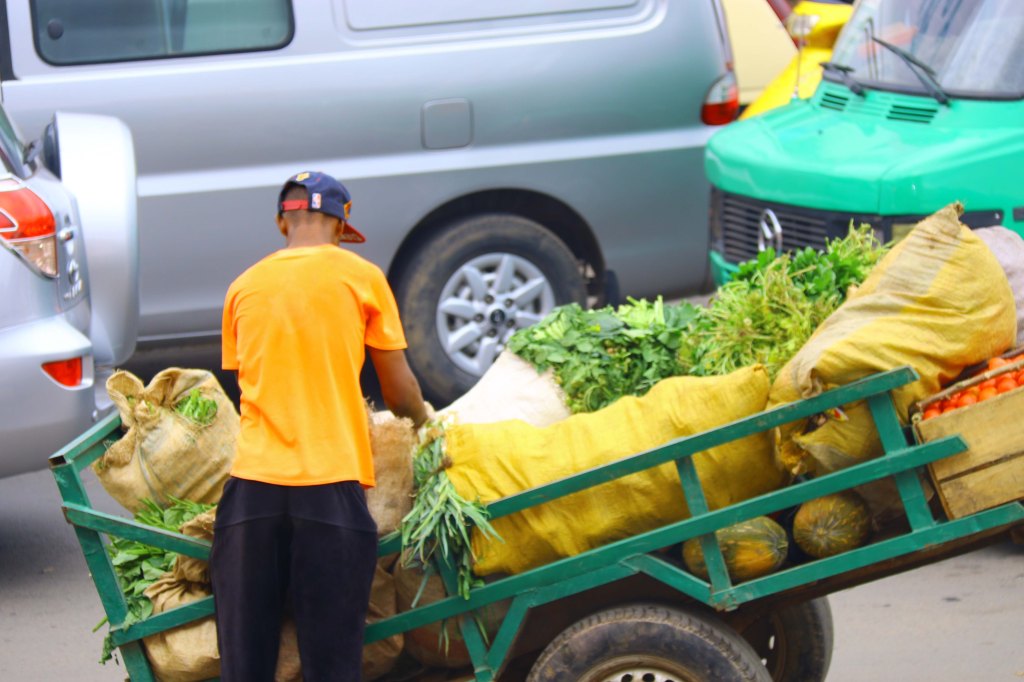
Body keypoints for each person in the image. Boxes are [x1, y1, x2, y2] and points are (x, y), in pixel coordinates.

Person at [211, 171, 428, 681]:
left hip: (252, 494)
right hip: (331, 491)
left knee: (245, 665)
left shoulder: (243, 286)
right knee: (332, 663)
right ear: (340, 225)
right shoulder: (362, 277)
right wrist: (424, 421)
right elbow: (399, 392)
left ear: (281, 223)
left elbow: (247, 382)